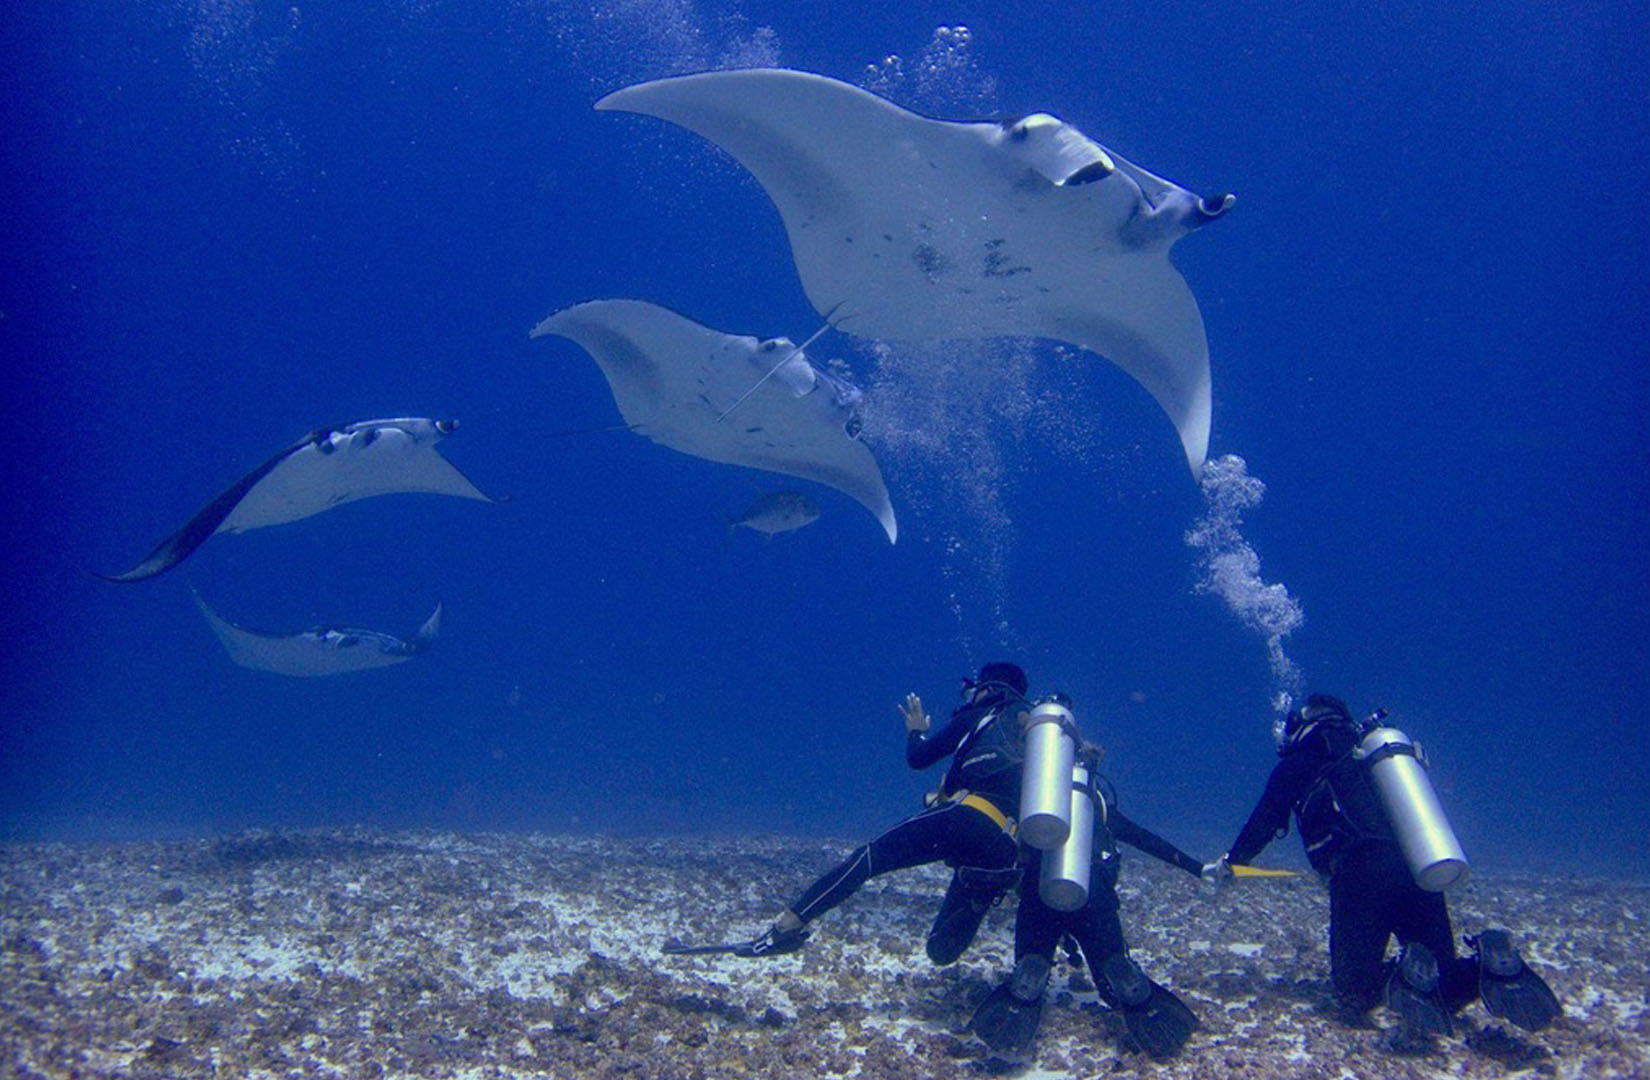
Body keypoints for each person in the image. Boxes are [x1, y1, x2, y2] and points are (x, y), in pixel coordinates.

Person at [1207, 693, 1560, 1036]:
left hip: (1361, 872)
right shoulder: (1371, 756)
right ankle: (1492, 964)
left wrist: (1232, 863)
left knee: (1353, 992)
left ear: (1302, 724)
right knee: (1441, 983)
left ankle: (1407, 969)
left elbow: (1265, 820)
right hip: (1417, 862)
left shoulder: (1302, 760)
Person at [666, 662, 1033, 959]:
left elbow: (919, 759)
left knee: (867, 859)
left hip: (966, 816)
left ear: (987, 688)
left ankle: (783, 930)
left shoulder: (983, 713)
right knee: (942, 950)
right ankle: (987, 891)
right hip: (1006, 842)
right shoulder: (1034, 731)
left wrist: (915, 731)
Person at [969, 735, 1206, 1061]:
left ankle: (1030, 975)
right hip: (1093, 898)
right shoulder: (1096, 803)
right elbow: (1145, 839)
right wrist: (1197, 868)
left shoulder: (1031, 802)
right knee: (1112, 978)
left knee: (1031, 965)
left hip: (1038, 899)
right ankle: (1123, 976)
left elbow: (993, 839)